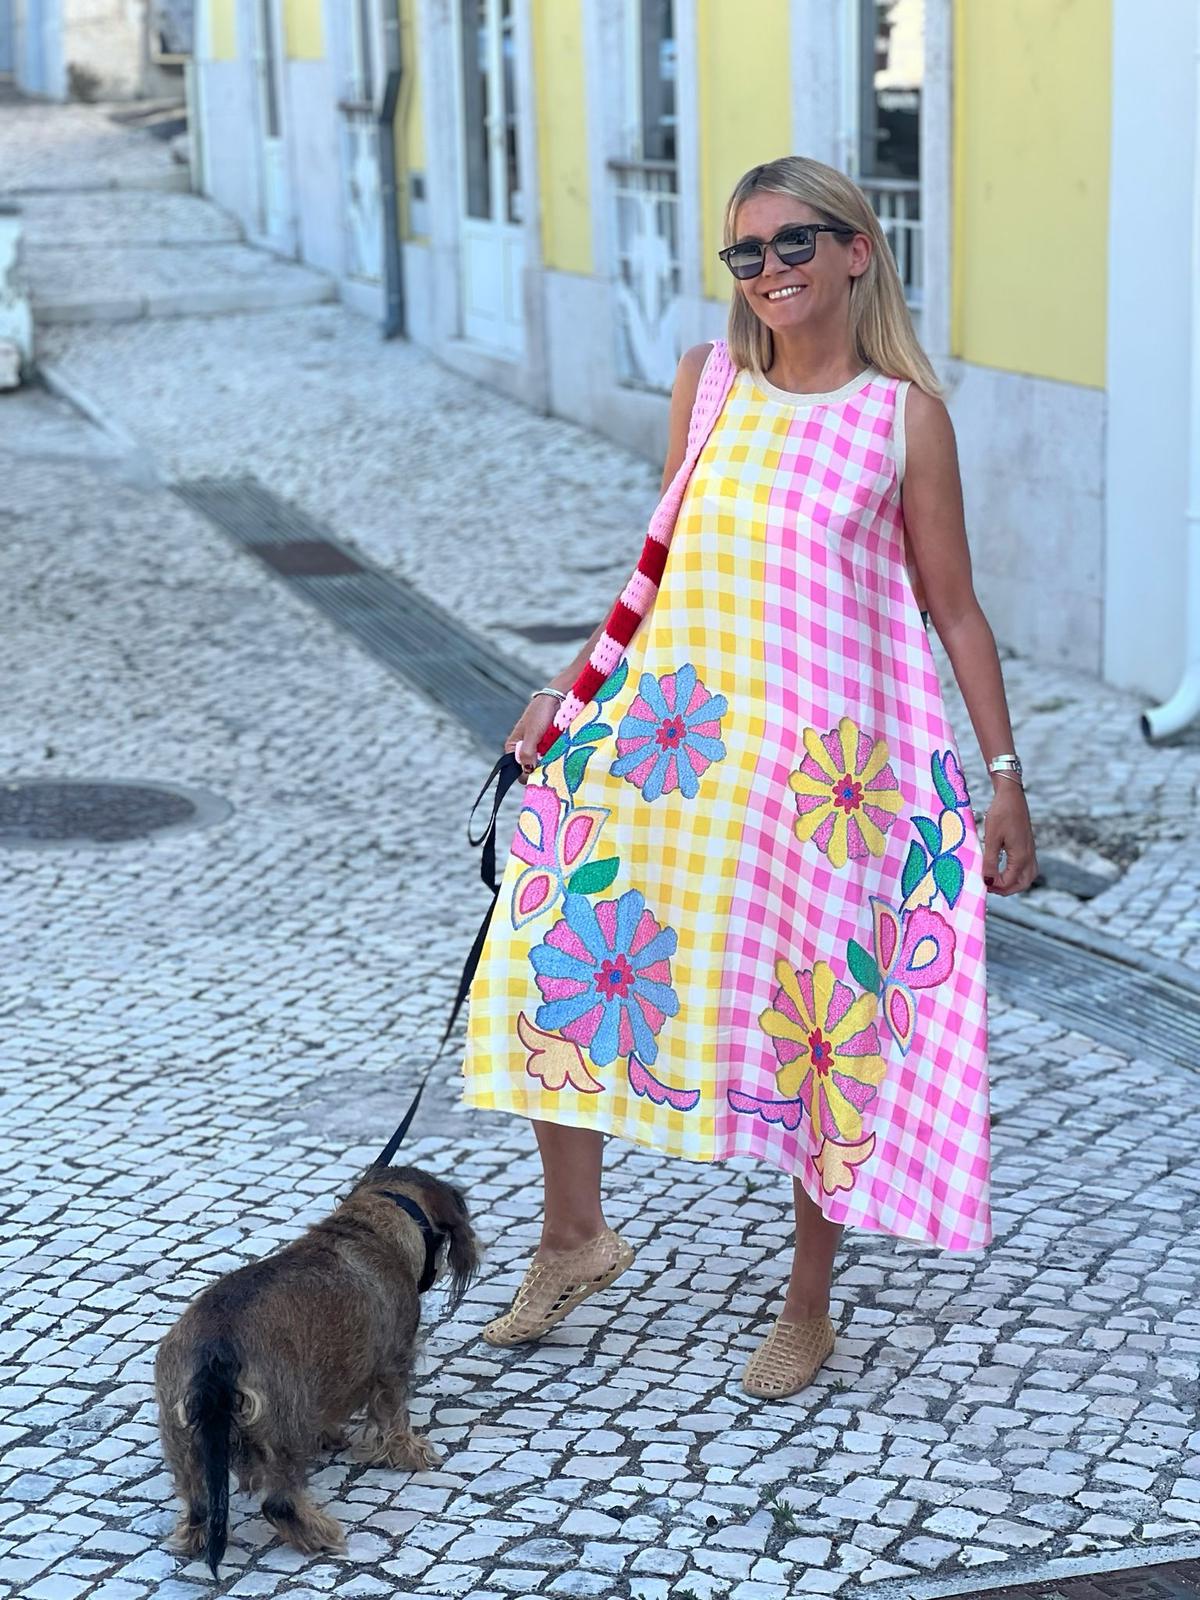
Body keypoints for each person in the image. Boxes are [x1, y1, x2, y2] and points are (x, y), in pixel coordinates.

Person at [459, 155, 1037, 1398]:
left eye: (792, 245)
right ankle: (574, 1236)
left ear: (854, 252)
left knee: (817, 1016)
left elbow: (955, 607)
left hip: (829, 783)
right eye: (746, 253)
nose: (769, 270)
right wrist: (567, 686)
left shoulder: (901, 419)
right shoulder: (707, 387)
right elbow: (657, 569)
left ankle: (808, 1303)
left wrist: (1003, 776)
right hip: (678, 743)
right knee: (559, 933)